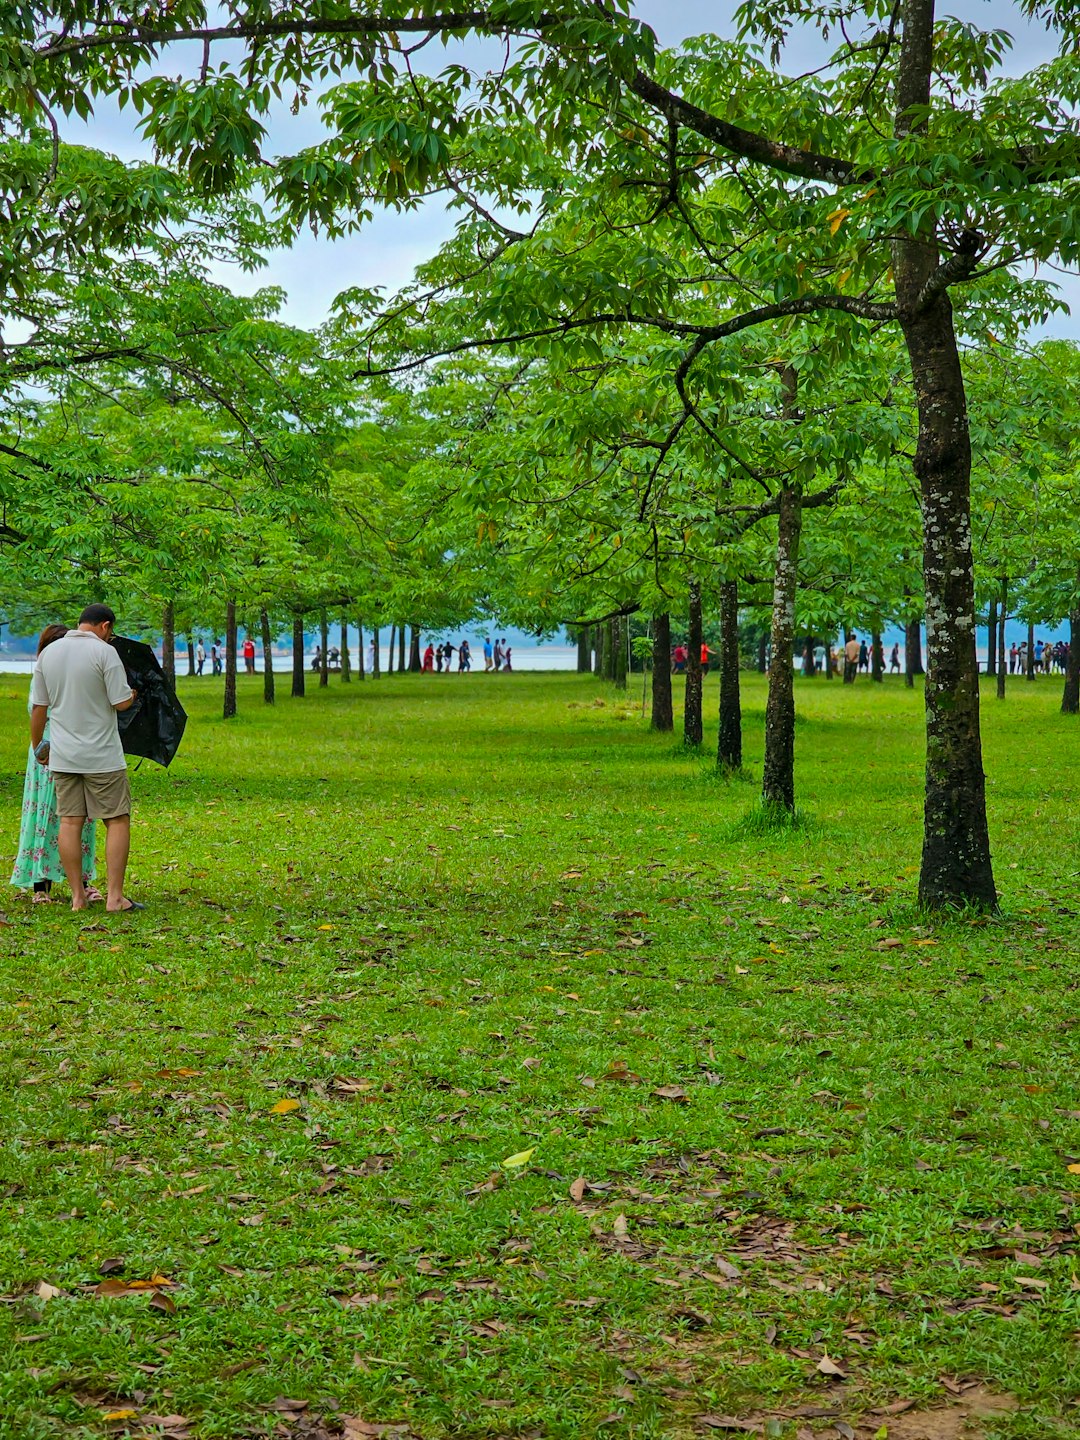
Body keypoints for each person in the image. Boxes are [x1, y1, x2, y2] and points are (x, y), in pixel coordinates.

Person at [29, 604, 140, 913]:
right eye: (111, 631)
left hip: (64, 755)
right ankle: (115, 898)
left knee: (69, 821)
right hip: (102, 756)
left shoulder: (49, 654)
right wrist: (131, 695)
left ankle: (77, 897)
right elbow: (120, 702)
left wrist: (39, 747)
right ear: (105, 626)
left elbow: (39, 707)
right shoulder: (105, 653)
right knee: (116, 819)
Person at [11, 625, 100, 906]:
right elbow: (38, 711)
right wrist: (41, 747)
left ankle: (83, 882)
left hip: (78, 748)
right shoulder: (44, 672)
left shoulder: (80, 674)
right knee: (47, 815)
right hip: (49, 750)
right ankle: (41, 885)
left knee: (81, 816)